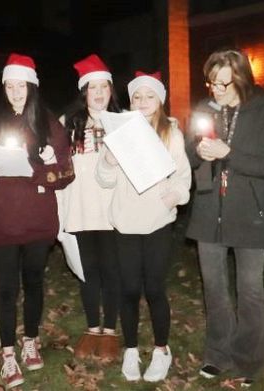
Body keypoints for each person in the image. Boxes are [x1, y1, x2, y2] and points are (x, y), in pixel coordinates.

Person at [0, 53, 75, 389]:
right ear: (4, 88)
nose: (16, 92)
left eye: (22, 86)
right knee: (6, 289)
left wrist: (48, 165)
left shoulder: (50, 124)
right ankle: (7, 354)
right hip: (4, 219)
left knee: (33, 283)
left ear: (33, 87)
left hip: (38, 219)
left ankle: (30, 339)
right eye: (10, 86)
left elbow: (66, 173)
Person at [185, 49, 264, 386]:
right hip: (209, 210)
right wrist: (197, 151)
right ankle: (218, 354)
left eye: (224, 82)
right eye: (212, 82)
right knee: (214, 288)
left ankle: (250, 362)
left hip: (249, 213)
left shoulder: (263, 109)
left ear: (241, 78)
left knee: (250, 290)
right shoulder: (204, 108)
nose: (217, 90)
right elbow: (189, 155)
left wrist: (230, 154)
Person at [96, 71, 191, 383]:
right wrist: (108, 160)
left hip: (157, 222)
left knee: (153, 288)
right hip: (125, 221)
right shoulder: (121, 133)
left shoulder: (170, 133)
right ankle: (132, 349)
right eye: (137, 97)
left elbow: (182, 176)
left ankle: (162, 349)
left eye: (149, 96)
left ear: (160, 100)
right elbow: (104, 180)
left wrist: (174, 196)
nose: (143, 102)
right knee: (129, 289)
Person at [58, 54, 122, 362]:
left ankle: (110, 330)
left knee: (111, 270)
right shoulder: (66, 124)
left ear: (111, 90)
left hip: (112, 210)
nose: (98, 93)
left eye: (104, 87)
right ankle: (92, 327)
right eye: (92, 88)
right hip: (80, 208)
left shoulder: (123, 122)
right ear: (84, 91)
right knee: (88, 272)